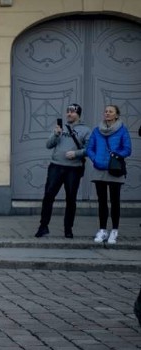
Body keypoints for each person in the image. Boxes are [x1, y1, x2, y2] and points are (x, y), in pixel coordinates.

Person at [35, 103, 90, 239]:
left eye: (72, 112)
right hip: (56, 166)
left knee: (71, 199)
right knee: (48, 196)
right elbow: (48, 145)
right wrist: (55, 134)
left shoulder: (86, 130)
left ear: (78, 114)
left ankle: (68, 229)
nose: (69, 114)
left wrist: (76, 154)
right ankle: (43, 226)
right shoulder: (60, 128)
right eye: (68, 112)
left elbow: (89, 150)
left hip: (73, 169)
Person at [86, 104, 132, 244]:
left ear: (116, 115)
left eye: (110, 111)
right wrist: (95, 159)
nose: (107, 113)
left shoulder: (123, 130)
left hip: (114, 170)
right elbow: (89, 148)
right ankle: (102, 230)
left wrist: (116, 155)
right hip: (99, 170)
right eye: (105, 111)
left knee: (115, 201)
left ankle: (114, 231)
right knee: (101, 202)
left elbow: (127, 149)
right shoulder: (96, 130)